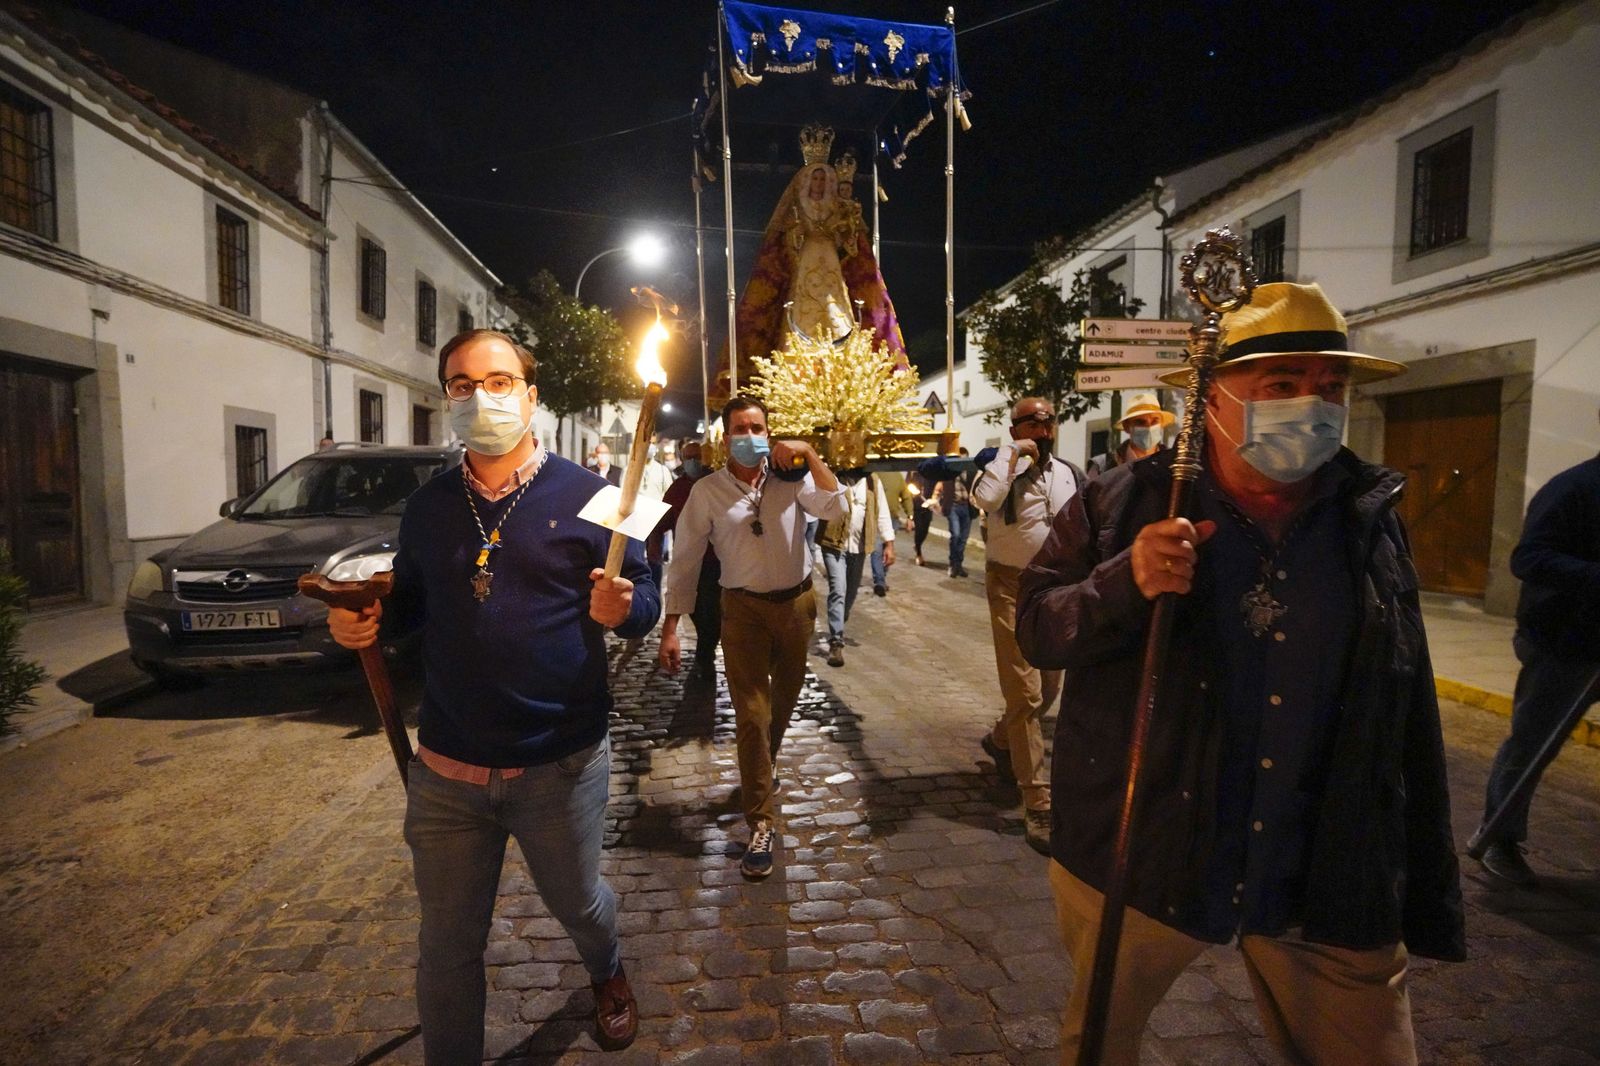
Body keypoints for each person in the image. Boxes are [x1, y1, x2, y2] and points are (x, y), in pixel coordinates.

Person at [1016, 283, 1464, 1065]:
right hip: (1145, 848)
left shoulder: (1367, 514)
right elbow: (1038, 627)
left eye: (1331, 386)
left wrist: (1415, 867)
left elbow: (1406, 701)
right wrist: (1125, 582)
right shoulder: (1122, 502)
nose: (1313, 405)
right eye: (1281, 384)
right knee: (1098, 1044)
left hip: (1319, 861)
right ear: (1212, 398)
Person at [327, 329, 657, 1061]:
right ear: (447, 397)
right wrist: (365, 622)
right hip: (447, 770)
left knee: (579, 904)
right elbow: (414, 606)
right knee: (445, 945)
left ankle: (606, 971)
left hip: (559, 762)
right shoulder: (429, 507)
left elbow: (646, 597)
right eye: (462, 384)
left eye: (499, 381)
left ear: (531, 397)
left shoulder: (601, 496)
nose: (481, 397)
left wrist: (625, 607)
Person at [658, 396, 844, 878]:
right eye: (739, 428)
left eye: (757, 427)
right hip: (741, 612)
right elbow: (685, 560)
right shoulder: (708, 492)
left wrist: (810, 452)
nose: (749, 435)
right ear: (725, 438)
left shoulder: (793, 479)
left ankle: (764, 764)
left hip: (797, 606)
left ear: (770, 432)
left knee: (782, 703)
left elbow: (836, 505)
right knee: (752, 715)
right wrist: (671, 626)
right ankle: (760, 821)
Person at [1475, 425, 1600, 887]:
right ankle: (1499, 839)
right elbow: (1528, 558)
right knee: (1532, 744)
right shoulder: (1573, 489)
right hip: (1565, 645)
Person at [971, 398, 1082, 856]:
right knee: (1025, 693)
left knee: (1050, 687)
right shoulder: (998, 469)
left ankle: (1002, 740)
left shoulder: (1068, 473)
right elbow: (985, 499)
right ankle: (1037, 801)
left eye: (1048, 421)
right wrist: (1011, 454)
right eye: (1032, 422)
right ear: (1015, 428)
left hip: (1055, 588)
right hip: (1009, 586)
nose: (1042, 428)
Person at [816, 468, 896, 667]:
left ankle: (840, 619)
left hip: (859, 547)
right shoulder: (832, 475)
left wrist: (889, 544)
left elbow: (882, 513)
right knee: (838, 590)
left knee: (850, 593)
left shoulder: (873, 481)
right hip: (834, 544)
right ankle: (836, 642)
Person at [659, 439, 721, 681]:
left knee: (713, 613)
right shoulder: (677, 489)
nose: (693, 461)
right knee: (696, 611)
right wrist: (653, 546)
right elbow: (662, 520)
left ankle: (704, 656)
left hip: (715, 562)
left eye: (697, 456)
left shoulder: (715, 484)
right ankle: (705, 653)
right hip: (689, 562)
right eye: (688, 457)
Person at [1087, 392, 1175, 477]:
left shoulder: (1173, 464)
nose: (1149, 427)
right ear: (1127, 426)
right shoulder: (1102, 466)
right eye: (1140, 422)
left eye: (1155, 421)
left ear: (1162, 425)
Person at [930, 449, 974, 577]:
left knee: (963, 538)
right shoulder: (948, 474)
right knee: (956, 535)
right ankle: (952, 564)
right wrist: (935, 503)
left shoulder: (970, 473)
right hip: (953, 506)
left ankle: (958, 565)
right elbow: (938, 489)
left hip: (967, 507)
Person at [870, 471, 908, 596]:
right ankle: (879, 581)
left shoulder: (897, 476)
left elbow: (906, 496)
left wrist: (910, 515)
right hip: (875, 517)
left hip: (892, 518)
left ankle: (882, 576)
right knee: (877, 550)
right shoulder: (873, 475)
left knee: (885, 550)